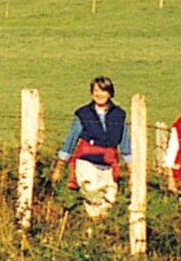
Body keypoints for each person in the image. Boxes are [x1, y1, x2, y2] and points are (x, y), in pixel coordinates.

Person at [50, 76, 132, 220]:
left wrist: (131, 169)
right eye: (96, 90)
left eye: (103, 91)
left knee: (109, 200)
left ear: (110, 93)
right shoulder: (83, 114)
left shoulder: (119, 115)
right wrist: (60, 166)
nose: (99, 94)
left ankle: (98, 232)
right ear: (91, 93)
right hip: (87, 163)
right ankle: (92, 229)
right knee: (93, 195)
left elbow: (125, 142)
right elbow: (71, 140)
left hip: (109, 164)